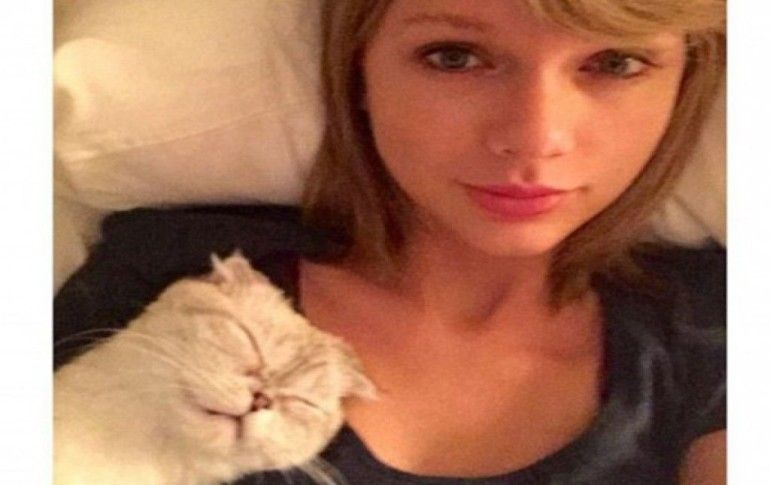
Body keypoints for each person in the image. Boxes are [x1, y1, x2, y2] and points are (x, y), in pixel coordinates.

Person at [55, 0, 726, 483]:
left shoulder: (717, 325)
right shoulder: (173, 267)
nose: (534, 137)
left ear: (685, 84)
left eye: (616, 62)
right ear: (360, 73)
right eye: (454, 56)